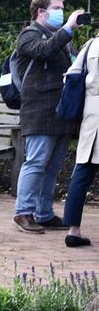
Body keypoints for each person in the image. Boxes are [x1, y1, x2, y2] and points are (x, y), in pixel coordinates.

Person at [12, 0, 86, 234]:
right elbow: (43, 51)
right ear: (41, 12)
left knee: (52, 167)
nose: (61, 11)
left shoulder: (60, 36)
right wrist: (66, 29)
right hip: (39, 111)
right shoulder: (29, 35)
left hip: (61, 112)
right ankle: (23, 212)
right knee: (36, 162)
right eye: (57, 7)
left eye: (62, 7)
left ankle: (43, 213)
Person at [63, 35, 99, 247]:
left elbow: (71, 76)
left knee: (82, 170)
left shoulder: (91, 45)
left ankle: (73, 230)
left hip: (91, 115)